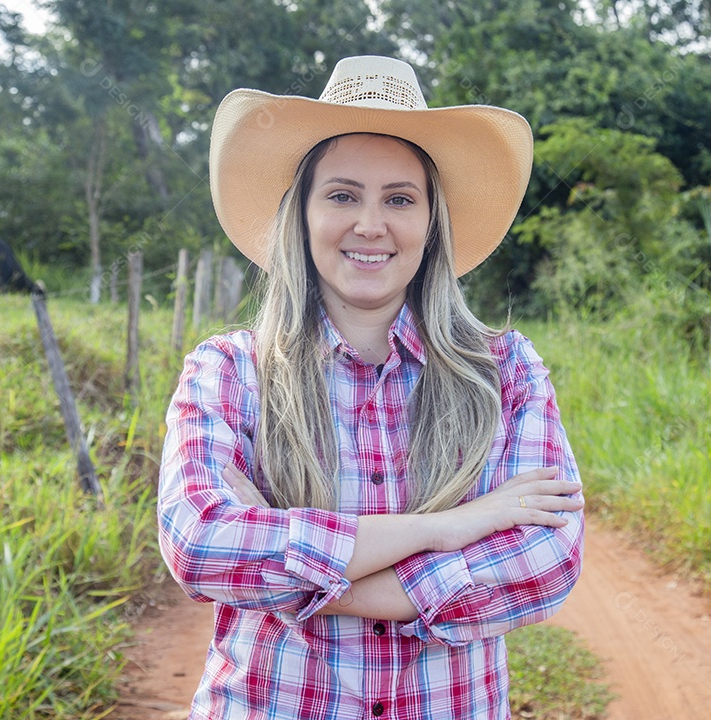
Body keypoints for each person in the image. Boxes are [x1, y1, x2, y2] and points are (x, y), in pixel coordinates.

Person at [157, 55, 585, 720]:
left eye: (399, 199)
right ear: (300, 214)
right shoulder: (229, 371)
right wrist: (452, 527)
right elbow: (201, 545)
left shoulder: (505, 370)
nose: (369, 224)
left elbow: (544, 563)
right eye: (342, 194)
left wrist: (295, 565)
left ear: (430, 220)